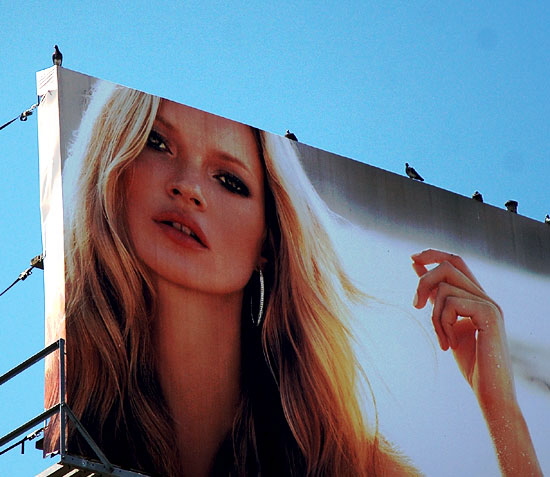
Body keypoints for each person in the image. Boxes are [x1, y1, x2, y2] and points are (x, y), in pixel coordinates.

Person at [45, 82, 542, 476]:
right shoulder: (73, 406)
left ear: (269, 240)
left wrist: (500, 407)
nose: (188, 187)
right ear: (112, 163)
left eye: (229, 181)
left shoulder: (344, 460)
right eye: (157, 142)